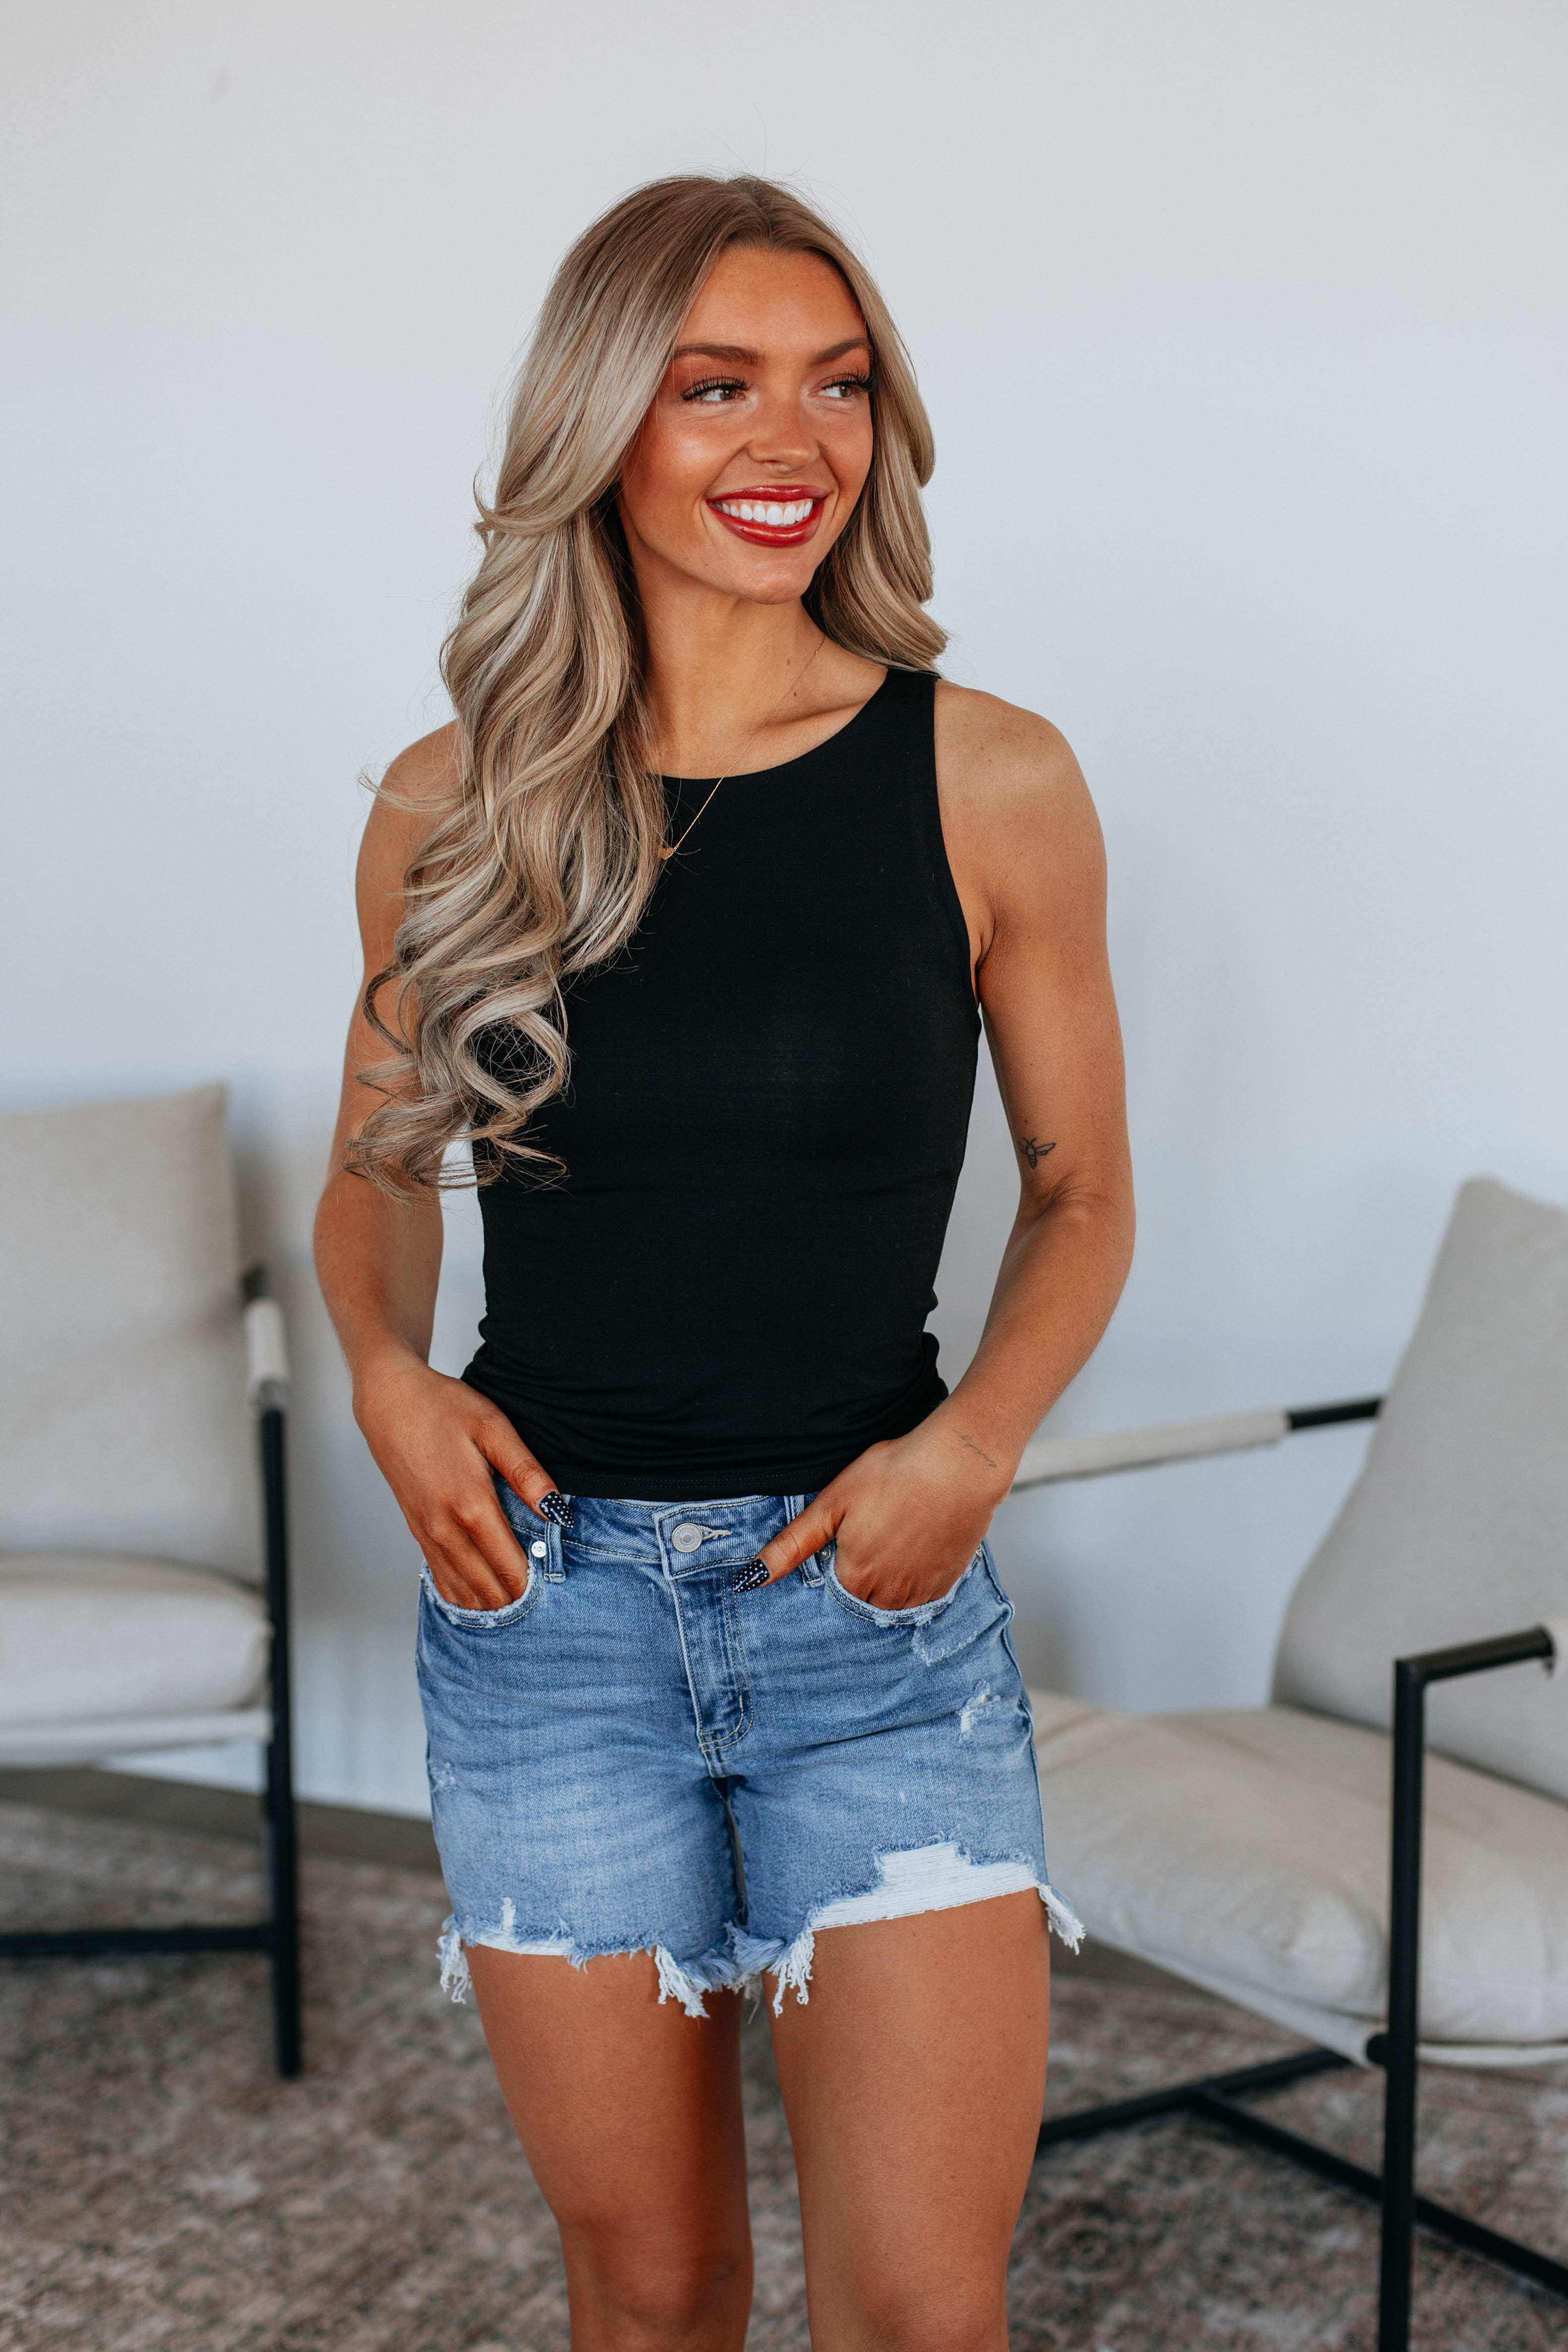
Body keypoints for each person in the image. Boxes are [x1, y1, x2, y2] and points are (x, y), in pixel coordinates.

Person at [315, 173, 1133, 2352]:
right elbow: (378, 1173)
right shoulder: (451, 800)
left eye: (838, 386)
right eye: (718, 387)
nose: (795, 439)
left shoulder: (987, 777)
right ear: (602, 421)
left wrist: (972, 1450)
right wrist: (388, 1376)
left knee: (914, 2315)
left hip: (874, 1618)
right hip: (544, 1626)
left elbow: (1079, 1193)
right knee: (655, 2292)